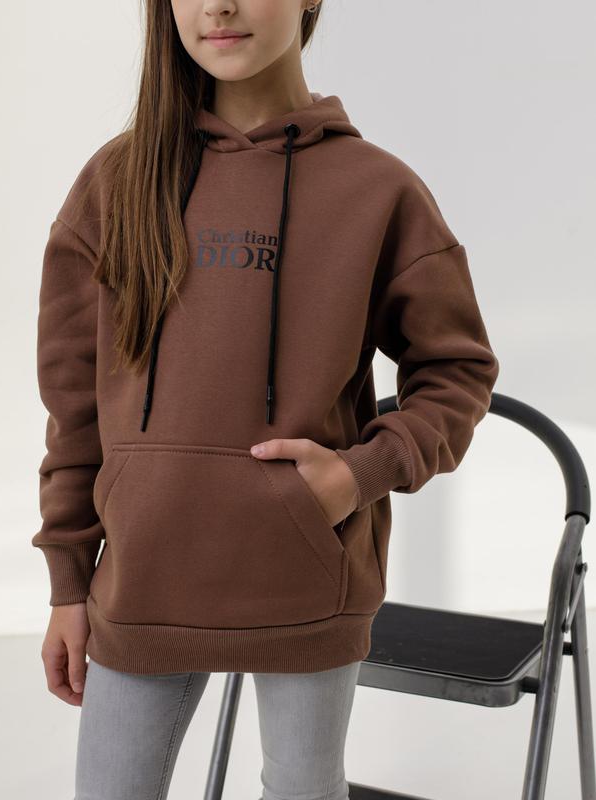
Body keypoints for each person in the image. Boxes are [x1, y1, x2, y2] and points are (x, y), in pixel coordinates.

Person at [32, 1, 500, 798]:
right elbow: (75, 406)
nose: (218, 5)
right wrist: (68, 581)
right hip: (141, 581)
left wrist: (359, 474)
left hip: (306, 580)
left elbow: (457, 368)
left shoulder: (378, 189)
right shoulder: (117, 182)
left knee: (302, 788)